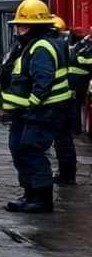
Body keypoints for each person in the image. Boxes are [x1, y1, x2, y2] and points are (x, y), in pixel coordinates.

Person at [1, 0, 72, 214]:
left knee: (32, 151)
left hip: (41, 111)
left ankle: (40, 199)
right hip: (31, 112)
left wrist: (31, 104)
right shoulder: (38, 44)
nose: (18, 30)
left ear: (33, 26)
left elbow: (43, 80)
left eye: (21, 25)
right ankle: (30, 193)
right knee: (20, 149)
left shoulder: (40, 47)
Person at [51, 16, 78, 185]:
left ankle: (66, 176)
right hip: (68, 97)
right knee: (65, 139)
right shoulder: (66, 45)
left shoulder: (56, 46)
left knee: (62, 141)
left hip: (61, 99)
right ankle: (68, 174)